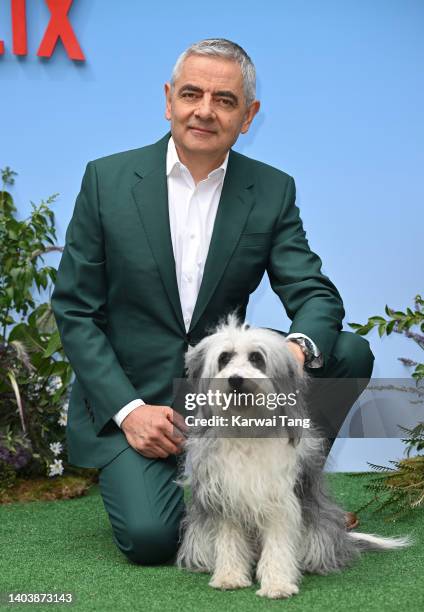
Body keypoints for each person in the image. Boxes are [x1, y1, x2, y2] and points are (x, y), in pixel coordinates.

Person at [51, 38, 374, 566]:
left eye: (224, 100)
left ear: (248, 116)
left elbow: (314, 293)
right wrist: (129, 411)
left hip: (228, 397)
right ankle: (221, 501)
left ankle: (292, 494)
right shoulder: (106, 180)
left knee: (347, 352)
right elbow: (76, 310)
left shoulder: (271, 190)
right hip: (142, 401)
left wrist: (294, 351)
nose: (204, 110)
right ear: (168, 100)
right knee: (153, 540)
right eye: (191, 94)